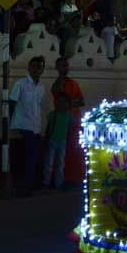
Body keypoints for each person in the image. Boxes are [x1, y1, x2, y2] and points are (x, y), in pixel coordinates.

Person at [9, 56, 46, 197]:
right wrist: (12, 122)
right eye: (34, 66)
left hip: (36, 125)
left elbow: (38, 106)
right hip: (24, 125)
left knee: (33, 156)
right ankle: (26, 186)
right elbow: (12, 102)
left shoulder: (41, 87)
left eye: (40, 67)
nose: (37, 69)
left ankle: (28, 185)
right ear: (29, 68)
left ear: (42, 70)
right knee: (30, 156)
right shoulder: (21, 84)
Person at [51, 56, 85, 187]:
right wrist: (71, 103)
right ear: (57, 68)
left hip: (75, 121)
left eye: (66, 66)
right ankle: (62, 180)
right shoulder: (57, 84)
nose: (64, 68)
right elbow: (58, 101)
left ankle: (74, 178)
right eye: (61, 66)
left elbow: (82, 101)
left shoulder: (73, 83)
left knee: (74, 149)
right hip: (61, 122)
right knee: (62, 152)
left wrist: (68, 103)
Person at [43, 94, 71, 189]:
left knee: (60, 162)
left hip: (62, 141)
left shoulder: (68, 116)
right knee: (49, 162)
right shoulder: (53, 114)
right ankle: (46, 182)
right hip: (52, 140)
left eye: (64, 103)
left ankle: (58, 183)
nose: (62, 105)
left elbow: (69, 129)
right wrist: (47, 138)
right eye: (60, 103)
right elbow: (48, 128)